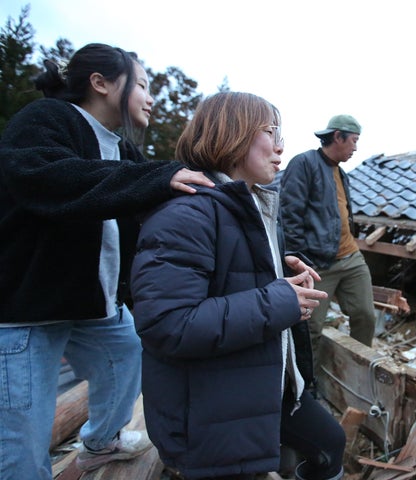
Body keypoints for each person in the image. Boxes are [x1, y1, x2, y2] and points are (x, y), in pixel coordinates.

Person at [0, 43, 214, 479]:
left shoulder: (118, 149)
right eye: (142, 85)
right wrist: (155, 177)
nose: (150, 97)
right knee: (24, 435)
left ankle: (101, 442)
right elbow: (48, 178)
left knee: (125, 355)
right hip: (27, 311)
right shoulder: (46, 121)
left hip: (89, 304)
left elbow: (147, 192)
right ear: (100, 84)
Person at [130, 92, 346, 480]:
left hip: (260, 381)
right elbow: (168, 323)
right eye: (270, 131)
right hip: (209, 410)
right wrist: (280, 298)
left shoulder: (251, 206)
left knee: (330, 444)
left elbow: (226, 278)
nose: (281, 145)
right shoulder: (185, 213)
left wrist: (274, 267)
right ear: (232, 135)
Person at [280, 115, 376, 375]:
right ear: (338, 136)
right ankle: (308, 381)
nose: (355, 147)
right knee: (311, 327)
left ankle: (359, 373)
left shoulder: (341, 173)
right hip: (318, 262)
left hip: (351, 256)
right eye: (354, 141)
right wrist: (300, 259)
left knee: (366, 315)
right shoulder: (305, 163)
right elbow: (290, 214)